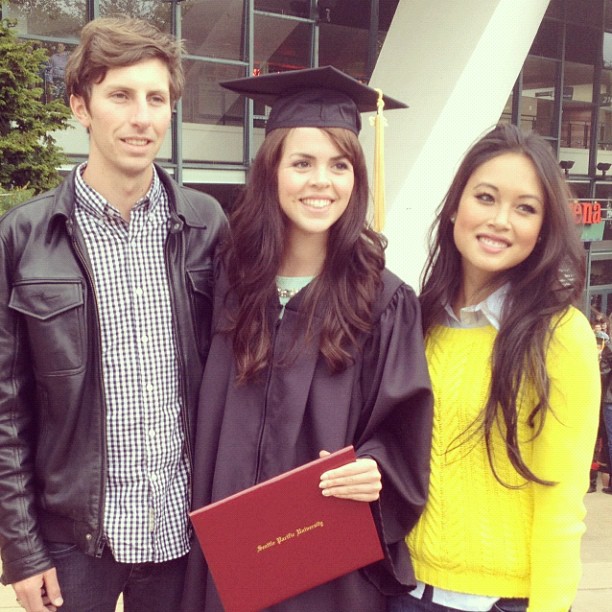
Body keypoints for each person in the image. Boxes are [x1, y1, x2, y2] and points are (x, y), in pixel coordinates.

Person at [181, 66, 434, 611]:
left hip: (324, 564)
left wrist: (376, 469)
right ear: (271, 171)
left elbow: (404, 431)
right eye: (302, 163)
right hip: (226, 554)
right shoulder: (227, 282)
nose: (322, 181)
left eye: (339, 165)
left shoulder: (383, 301)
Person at [0, 17, 226, 612]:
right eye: (120, 96)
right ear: (81, 106)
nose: (141, 116)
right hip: (74, 542)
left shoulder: (205, 225)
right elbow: (6, 407)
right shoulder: (24, 237)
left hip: (183, 532)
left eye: (156, 98)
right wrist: (21, 551)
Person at [388, 124, 600, 612]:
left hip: (501, 602)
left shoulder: (558, 335)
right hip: (402, 591)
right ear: (455, 207)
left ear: (544, 229)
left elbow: (561, 504)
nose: (501, 220)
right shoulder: (418, 321)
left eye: (525, 208)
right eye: (486, 197)